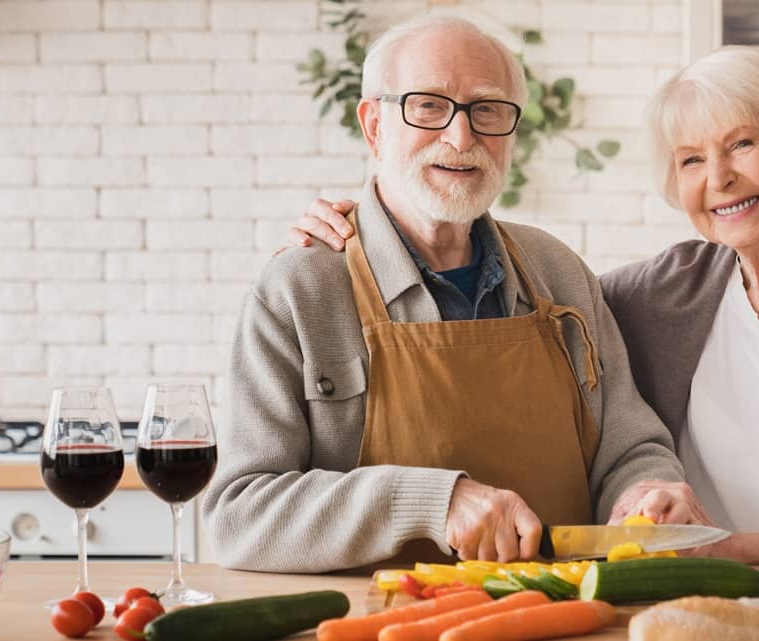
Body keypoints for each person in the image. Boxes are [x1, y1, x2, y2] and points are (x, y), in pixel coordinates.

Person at [291, 46, 759, 566]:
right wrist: (360, 231)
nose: (718, 177)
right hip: (679, 607)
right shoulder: (659, 293)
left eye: (743, 144)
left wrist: (730, 547)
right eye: (691, 159)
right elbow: (513, 316)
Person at [204, 15, 707, 574]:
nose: (461, 137)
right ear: (374, 126)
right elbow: (239, 516)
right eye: (427, 105)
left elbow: (631, 448)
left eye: (486, 109)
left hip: (560, 620)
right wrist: (433, 502)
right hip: (379, 627)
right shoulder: (300, 290)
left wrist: (647, 492)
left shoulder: (559, 274)